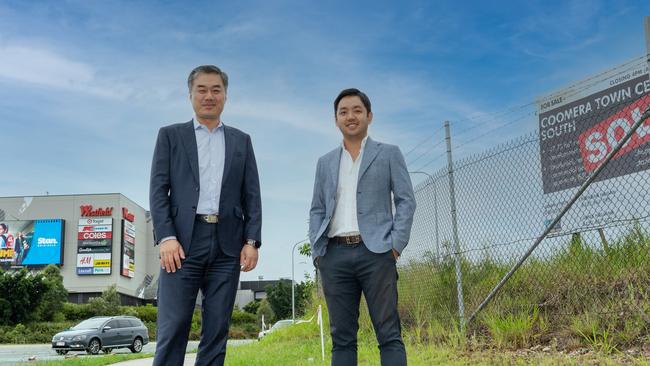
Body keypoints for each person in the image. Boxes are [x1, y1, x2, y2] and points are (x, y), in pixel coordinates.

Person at [150, 65, 262, 366]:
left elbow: (251, 195)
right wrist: (166, 237)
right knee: (173, 327)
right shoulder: (170, 136)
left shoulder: (242, 140)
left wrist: (252, 241)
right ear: (190, 95)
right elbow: (158, 191)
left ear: (225, 95)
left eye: (216, 90)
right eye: (202, 89)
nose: (209, 96)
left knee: (216, 330)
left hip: (227, 247)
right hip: (182, 245)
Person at [309, 88, 416, 366]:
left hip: (378, 254)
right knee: (342, 338)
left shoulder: (389, 154)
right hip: (334, 256)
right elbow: (317, 209)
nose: (350, 116)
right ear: (336, 120)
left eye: (357, 110)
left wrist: (395, 246)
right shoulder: (325, 162)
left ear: (369, 116)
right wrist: (318, 253)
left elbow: (406, 200)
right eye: (343, 112)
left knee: (389, 334)